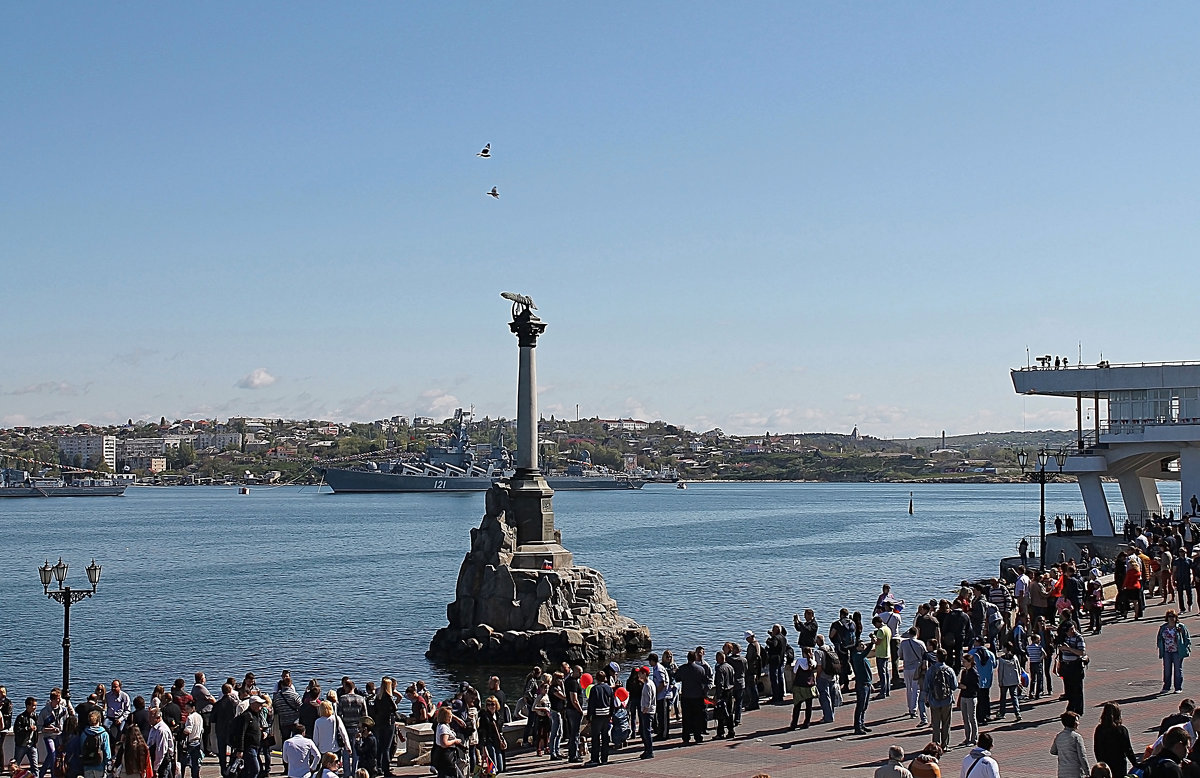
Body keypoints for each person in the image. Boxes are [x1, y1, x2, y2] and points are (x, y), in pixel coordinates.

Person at [1094, 702, 1139, 777]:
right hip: (1119, 764)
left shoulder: (1099, 729)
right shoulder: (1121, 730)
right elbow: (1128, 749)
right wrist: (1135, 764)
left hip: (1105, 764)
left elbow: (1096, 748)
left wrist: (1100, 762)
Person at [676, 652, 708, 745]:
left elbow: (677, 679)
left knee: (686, 718)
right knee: (697, 717)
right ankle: (698, 736)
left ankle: (686, 737)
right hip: (697, 696)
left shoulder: (682, 668)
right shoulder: (700, 669)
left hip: (686, 696)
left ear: (687, 658)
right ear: (695, 658)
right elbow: (705, 681)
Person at [1158, 609, 1192, 694]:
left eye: (1173, 616)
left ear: (1176, 617)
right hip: (1167, 651)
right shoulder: (1163, 627)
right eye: (1169, 616)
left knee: (1178, 670)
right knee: (1167, 670)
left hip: (1177, 651)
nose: (1171, 618)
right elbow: (1159, 638)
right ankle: (1166, 687)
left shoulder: (1180, 627)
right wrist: (1160, 646)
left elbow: (1187, 638)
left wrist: (1184, 647)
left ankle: (1178, 687)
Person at [585, 669, 614, 766]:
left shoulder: (594, 689)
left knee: (595, 738)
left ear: (596, 679)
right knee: (605, 737)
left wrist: (589, 718)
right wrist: (611, 714)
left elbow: (591, 704)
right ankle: (604, 758)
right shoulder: (609, 688)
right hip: (606, 715)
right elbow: (612, 702)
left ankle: (595, 758)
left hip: (597, 716)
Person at [1060, 621, 1088, 715]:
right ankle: (1071, 708)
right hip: (1066, 665)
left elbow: (1081, 653)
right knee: (1069, 689)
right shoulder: (1066, 637)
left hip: (1075, 666)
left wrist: (1069, 649)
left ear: (1072, 629)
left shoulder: (1078, 638)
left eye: (1067, 631)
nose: (1066, 633)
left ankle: (1078, 710)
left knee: (1077, 689)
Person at [900, 628, 928, 723]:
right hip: (917, 668)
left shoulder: (903, 643)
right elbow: (925, 655)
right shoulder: (920, 643)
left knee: (908, 688)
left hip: (906, 668)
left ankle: (909, 707)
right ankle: (914, 709)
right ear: (917, 633)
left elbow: (900, 655)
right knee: (916, 688)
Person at [1052, 710, 1090, 778]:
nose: (1078, 723)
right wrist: (1087, 772)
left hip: (1062, 772)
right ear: (1073, 723)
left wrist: (1063, 751)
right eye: (1077, 721)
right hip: (1075, 771)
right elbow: (1082, 756)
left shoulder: (1059, 736)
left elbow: (1053, 751)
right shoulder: (1076, 737)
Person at [851, 636, 876, 735]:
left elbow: (867, 671)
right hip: (861, 684)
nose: (863, 646)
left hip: (867, 683)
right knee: (860, 706)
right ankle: (857, 727)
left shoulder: (862, 656)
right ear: (856, 647)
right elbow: (866, 652)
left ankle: (862, 724)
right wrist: (871, 643)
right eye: (861, 645)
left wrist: (870, 683)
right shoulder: (857, 656)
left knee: (864, 706)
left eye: (863, 644)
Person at [431, 707, 463, 778]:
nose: (451, 717)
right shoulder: (443, 728)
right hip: (446, 756)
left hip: (444, 756)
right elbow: (444, 743)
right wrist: (455, 741)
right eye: (450, 715)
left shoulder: (442, 725)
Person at [789, 646, 816, 731]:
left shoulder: (799, 661)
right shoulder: (813, 662)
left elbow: (794, 671)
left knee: (797, 706)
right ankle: (806, 723)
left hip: (799, 686)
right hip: (809, 687)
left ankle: (794, 724)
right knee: (809, 706)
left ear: (803, 653)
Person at [79, 709, 112, 778]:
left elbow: (82, 748)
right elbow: (107, 751)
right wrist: (108, 764)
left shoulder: (84, 733)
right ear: (99, 720)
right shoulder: (104, 734)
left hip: (87, 764)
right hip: (100, 765)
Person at [146, 707, 176, 778]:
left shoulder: (161, 730)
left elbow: (161, 751)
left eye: (151, 717)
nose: (149, 719)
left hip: (162, 763)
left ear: (158, 717)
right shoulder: (153, 728)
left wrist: (155, 768)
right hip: (155, 760)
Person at [478, 696, 506, 774]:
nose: (491, 706)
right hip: (488, 740)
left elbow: (500, 729)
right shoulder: (484, 716)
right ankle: (491, 774)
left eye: (492, 704)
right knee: (493, 764)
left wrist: (502, 739)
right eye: (488, 705)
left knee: (500, 767)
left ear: (496, 705)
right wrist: (483, 747)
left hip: (497, 740)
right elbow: (482, 732)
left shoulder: (498, 715)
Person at [13, 697, 40, 774]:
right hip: (21, 745)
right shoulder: (21, 717)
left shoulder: (35, 717)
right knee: (16, 765)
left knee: (35, 766)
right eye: (33, 706)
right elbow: (17, 730)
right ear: (28, 706)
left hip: (32, 744)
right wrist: (28, 728)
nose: (35, 708)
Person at [957, 653, 979, 748]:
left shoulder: (974, 673)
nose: (963, 663)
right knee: (965, 719)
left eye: (965, 661)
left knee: (972, 718)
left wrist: (966, 687)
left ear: (970, 662)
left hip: (971, 697)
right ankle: (967, 738)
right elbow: (962, 683)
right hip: (964, 697)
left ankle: (974, 739)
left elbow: (977, 687)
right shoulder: (964, 672)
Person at [714, 651, 737, 738]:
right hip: (730, 691)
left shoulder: (720, 669)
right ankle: (731, 731)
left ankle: (720, 733)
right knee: (729, 712)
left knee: (720, 713)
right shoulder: (730, 667)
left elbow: (720, 683)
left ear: (719, 658)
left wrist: (718, 696)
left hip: (723, 692)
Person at [635, 667, 654, 760]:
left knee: (646, 731)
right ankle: (647, 750)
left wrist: (646, 708)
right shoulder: (649, 683)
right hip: (648, 710)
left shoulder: (647, 685)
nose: (638, 675)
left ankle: (649, 751)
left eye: (640, 673)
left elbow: (649, 698)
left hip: (647, 711)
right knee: (645, 731)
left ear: (645, 674)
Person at [180, 701, 204, 778]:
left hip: (190, 742)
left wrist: (181, 732)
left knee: (183, 762)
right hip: (198, 741)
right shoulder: (199, 716)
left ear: (193, 708)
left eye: (188, 708)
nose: (186, 710)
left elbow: (188, 730)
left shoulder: (190, 717)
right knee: (195, 763)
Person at [765, 624, 787, 704]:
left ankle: (776, 696)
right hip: (781, 659)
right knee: (780, 677)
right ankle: (780, 695)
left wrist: (768, 641)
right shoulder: (783, 638)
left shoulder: (776, 638)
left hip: (774, 660)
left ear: (776, 630)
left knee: (774, 678)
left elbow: (773, 644)